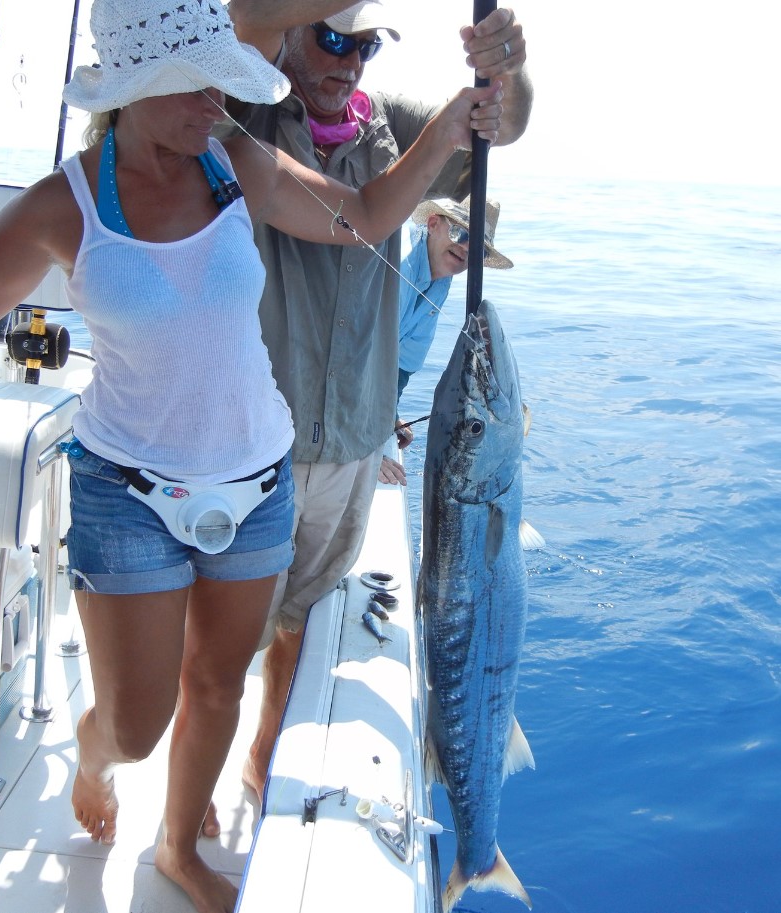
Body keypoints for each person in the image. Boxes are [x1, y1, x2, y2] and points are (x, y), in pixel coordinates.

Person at [0, 0, 503, 910]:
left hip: (257, 478)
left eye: (223, 79)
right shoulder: (59, 204)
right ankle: (95, 748)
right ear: (131, 90)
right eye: (193, 84)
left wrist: (457, 122)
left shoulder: (236, 162)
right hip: (126, 491)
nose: (217, 102)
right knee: (138, 726)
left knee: (218, 683)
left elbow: (363, 217)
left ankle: (180, 847)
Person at [220, 0, 534, 801]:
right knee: (217, 647)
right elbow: (239, 17)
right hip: (255, 446)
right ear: (291, 29)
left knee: (299, 620)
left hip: (354, 443)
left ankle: (261, 756)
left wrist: (506, 68)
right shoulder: (242, 107)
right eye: (330, 38)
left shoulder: (387, 124)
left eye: (363, 46)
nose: (348, 62)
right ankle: (149, 763)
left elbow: (503, 125)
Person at [378, 195, 513, 485]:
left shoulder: (441, 278)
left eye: (476, 245)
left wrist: (389, 415)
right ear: (432, 223)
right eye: (460, 232)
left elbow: (401, 365)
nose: (465, 247)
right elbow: (352, 359)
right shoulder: (398, 264)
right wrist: (367, 448)